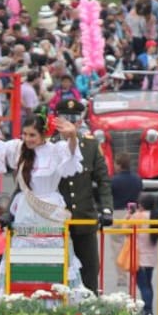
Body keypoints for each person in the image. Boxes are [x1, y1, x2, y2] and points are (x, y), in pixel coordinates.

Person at [0, 113, 84, 291]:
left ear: (44, 134)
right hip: (26, 209)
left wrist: (72, 136)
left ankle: (54, 296)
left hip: (50, 211)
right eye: (25, 134)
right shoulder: (17, 148)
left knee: (52, 256)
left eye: (32, 135)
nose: (27, 139)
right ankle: (22, 293)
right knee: (23, 254)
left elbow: (71, 152)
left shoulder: (56, 150)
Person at [55, 98, 114, 293]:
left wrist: (106, 209)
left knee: (90, 268)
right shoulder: (49, 145)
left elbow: (103, 179)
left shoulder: (89, 145)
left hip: (84, 217)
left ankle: (89, 312)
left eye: (75, 120)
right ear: (57, 121)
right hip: (56, 219)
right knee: (57, 268)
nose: (71, 125)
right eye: (65, 119)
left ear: (80, 122)